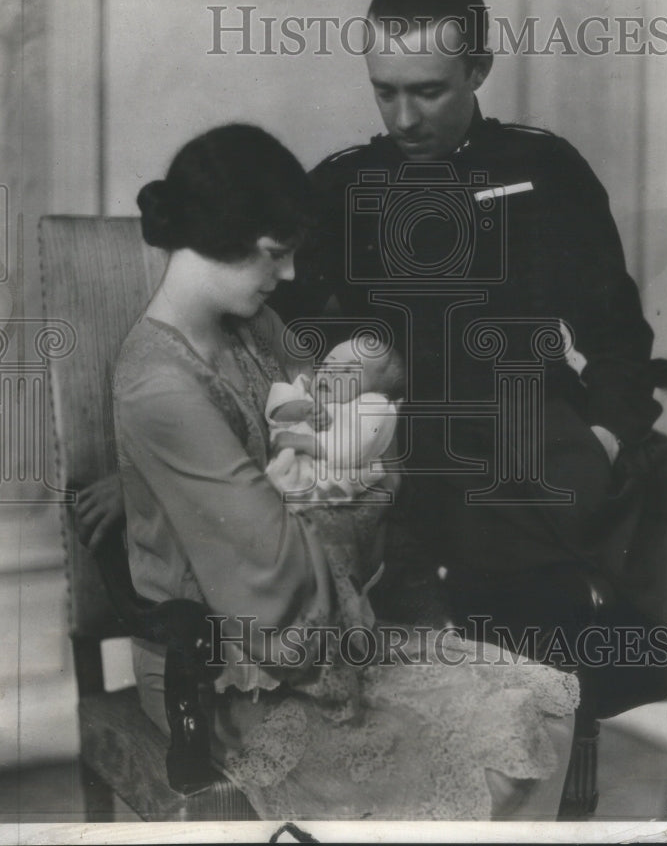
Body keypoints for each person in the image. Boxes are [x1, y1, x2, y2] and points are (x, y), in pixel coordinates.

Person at [112, 122, 579, 821]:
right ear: (216, 237)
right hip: (233, 672)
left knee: (539, 700)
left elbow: (362, 432)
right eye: (275, 254)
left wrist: (350, 487)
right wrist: (358, 498)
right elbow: (274, 570)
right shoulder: (160, 389)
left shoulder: (252, 325)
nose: (292, 275)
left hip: (317, 625)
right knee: (492, 763)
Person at [270, 0, 667, 706]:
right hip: (408, 461)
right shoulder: (337, 188)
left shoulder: (542, 171)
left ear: (478, 69)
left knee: (666, 525)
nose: (402, 118)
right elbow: (272, 340)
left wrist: (608, 436)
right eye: (384, 90)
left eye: (426, 91)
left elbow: (617, 333)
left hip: (539, 442)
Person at [265, 334, 403, 501]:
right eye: (327, 364)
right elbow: (276, 410)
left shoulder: (369, 408)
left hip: (326, 480)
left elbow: (354, 443)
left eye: (347, 371)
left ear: (373, 394)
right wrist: (302, 409)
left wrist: (308, 443)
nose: (329, 371)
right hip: (283, 469)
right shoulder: (305, 388)